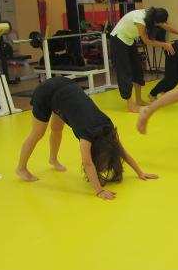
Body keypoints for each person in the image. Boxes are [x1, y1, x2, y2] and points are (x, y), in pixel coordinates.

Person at [16, 77, 158, 200]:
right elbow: (88, 163)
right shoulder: (87, 135)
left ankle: (53, 159)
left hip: (66, 89)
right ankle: (21, 168)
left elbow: (121, 150)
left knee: (57, 129)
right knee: (38, 133)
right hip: (47, 92)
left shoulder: (107, 126)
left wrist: (140, 172)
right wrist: (99, 191)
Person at [110, 7, 178, 112]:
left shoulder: (153, 16)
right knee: (125, 71)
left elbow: (165, 26)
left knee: (137, 69)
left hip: (129, 40)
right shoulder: (140, 20)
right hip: (118, 39)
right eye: (159, 24)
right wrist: (165, 45)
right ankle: (130, 105)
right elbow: (146, 41)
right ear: (155, 21)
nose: (160, 26)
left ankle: (138, 100)